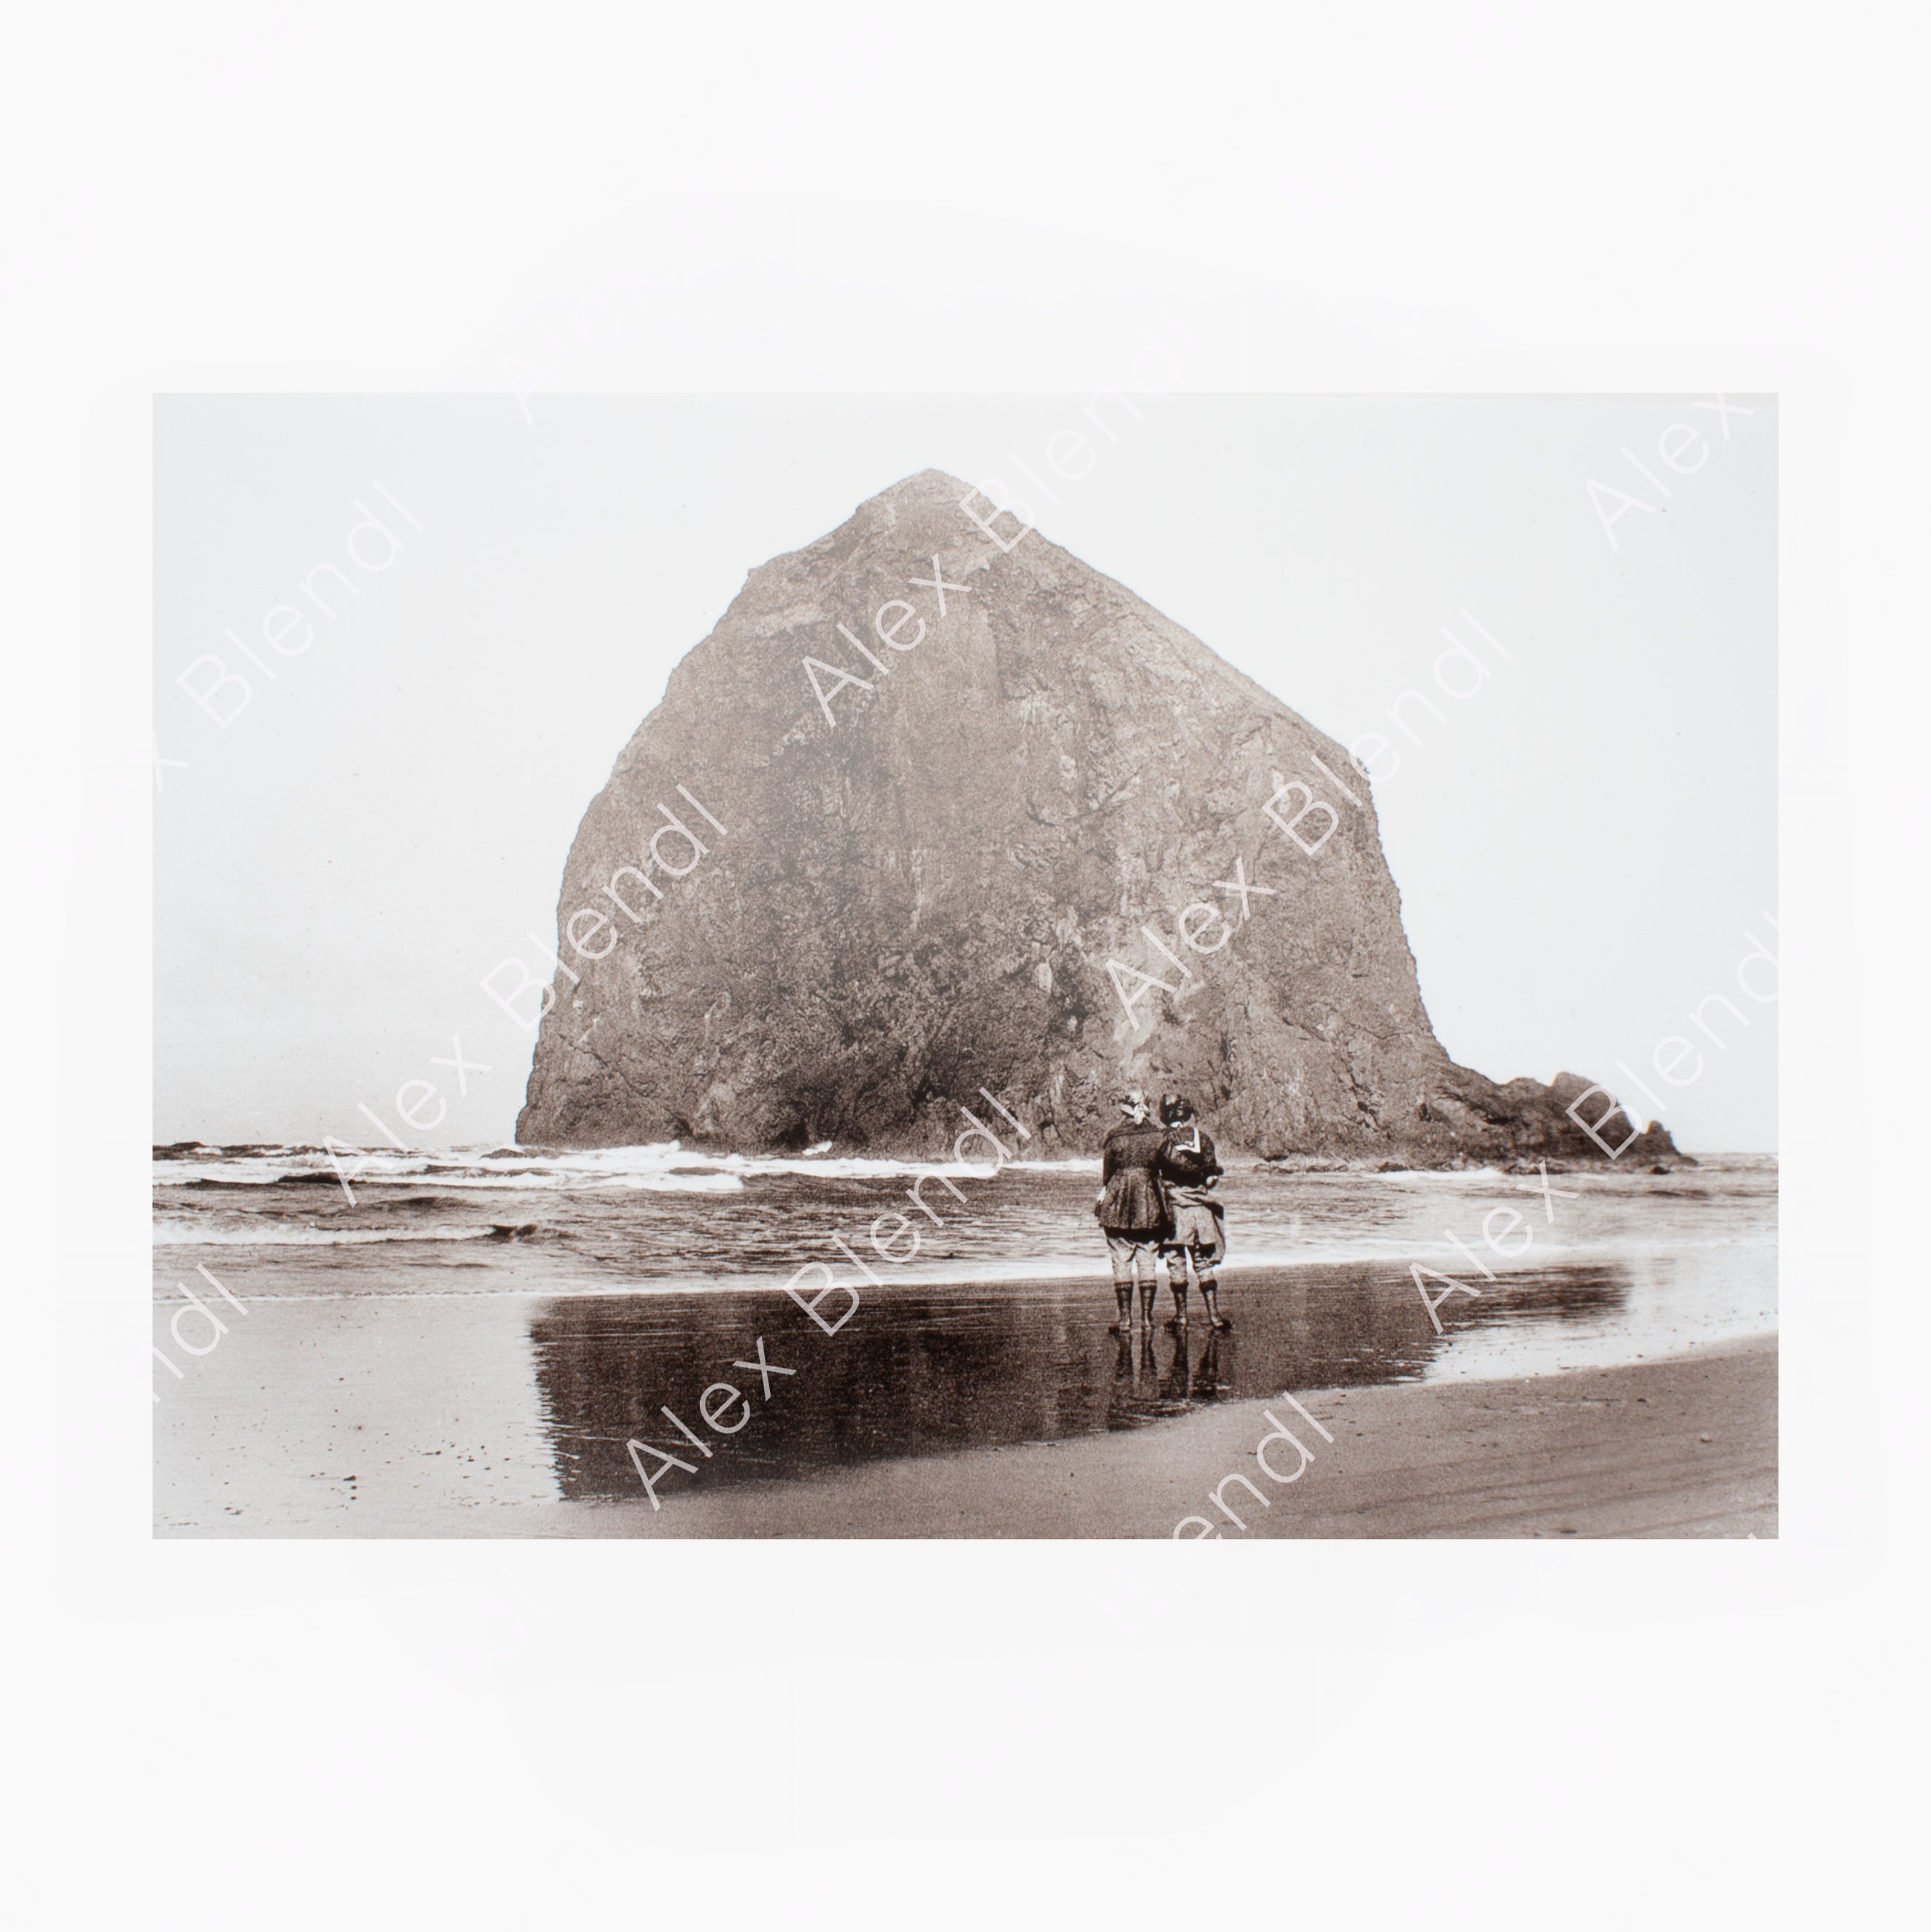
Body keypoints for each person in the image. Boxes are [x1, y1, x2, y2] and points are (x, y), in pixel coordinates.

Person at [1094, 1089, 1171, 1331]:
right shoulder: (1158, 1135)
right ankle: (1147, 1319)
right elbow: (1170, 1167)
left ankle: (1125, 1319)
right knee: (1148, 1259)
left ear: (1124, 1111)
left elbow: (1107, 1175)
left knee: (1121, 1258)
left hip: (1117, 1203)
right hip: (1149, 1202)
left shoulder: (1114, 1136)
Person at [1156, 1092, 1230, 1331]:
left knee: (1176, 1262)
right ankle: (1214, 1316)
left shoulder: (1160, 1139)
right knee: (1203, 1262)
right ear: (1186, 1114)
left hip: (1174, 1210)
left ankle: (1181, 1316)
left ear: (1165, 1115)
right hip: (1200, 1210)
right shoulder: (1203, 1138)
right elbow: (1210, 1179)